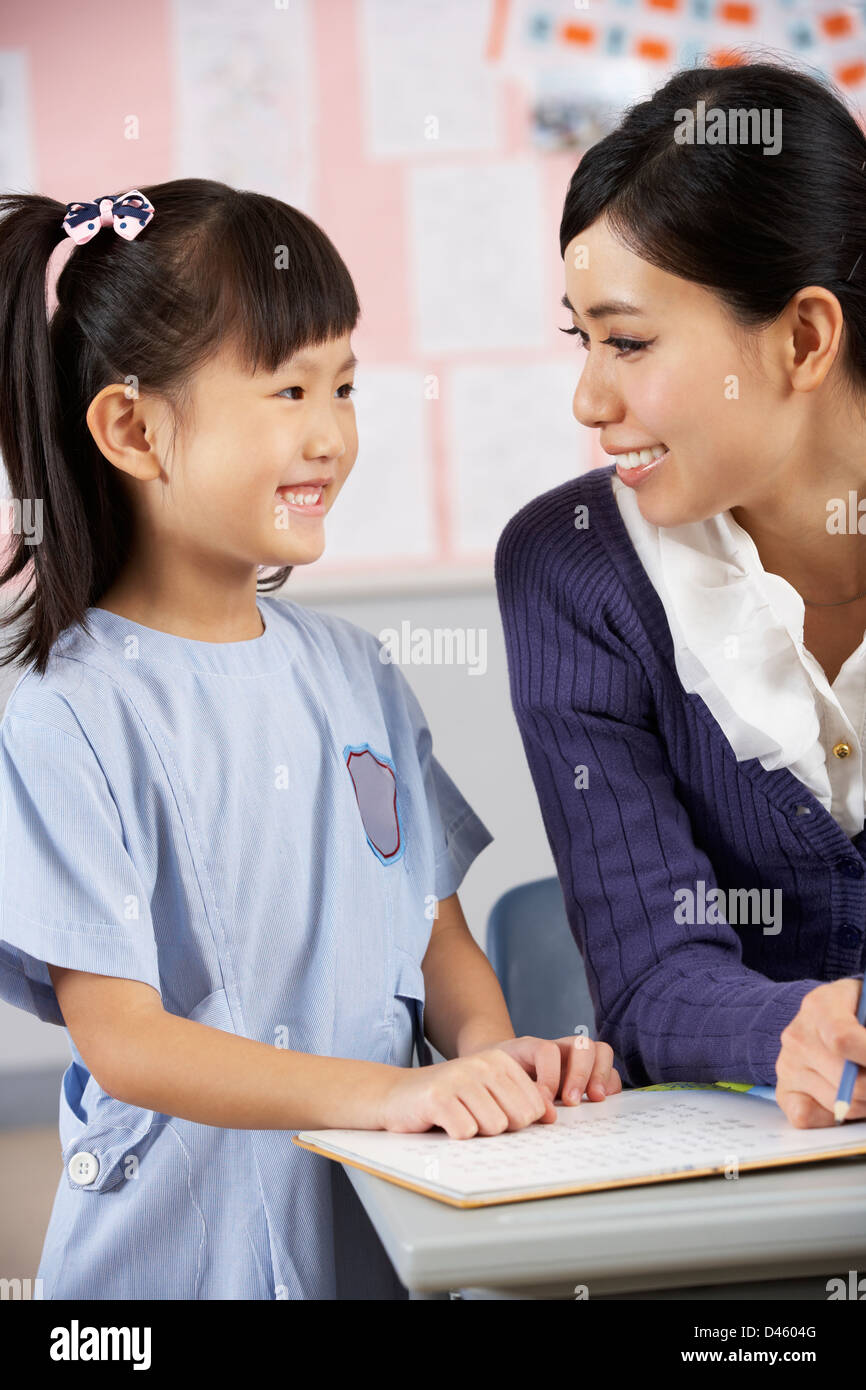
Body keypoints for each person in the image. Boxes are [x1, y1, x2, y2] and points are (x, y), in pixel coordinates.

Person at [0, 180, 620, 1300]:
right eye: (287, 388)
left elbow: (434, 936)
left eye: (343, 384)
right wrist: (382, 1094)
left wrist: (486, 1054)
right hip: (176, 1264)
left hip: (374, 1232)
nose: (329, 432)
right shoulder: (66, 715)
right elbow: (125, 1040)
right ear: (133, 428)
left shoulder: (356, 674)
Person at [495, 61, 866, 1132]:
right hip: (722, 1174)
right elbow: (650, 972)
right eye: (582, 339)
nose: (588, 397)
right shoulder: (569, 566)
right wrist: (793, 1032)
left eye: (628, 342)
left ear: (801, 338)